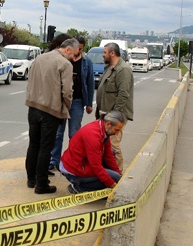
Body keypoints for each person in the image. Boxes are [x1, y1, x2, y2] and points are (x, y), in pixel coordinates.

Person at [25, 37, 80, 194]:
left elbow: (30, 82)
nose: (74, 58)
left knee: (33, 144)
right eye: (74, 54)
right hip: (51, 110)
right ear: (68, 49)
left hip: (33, 107)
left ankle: (31, 179)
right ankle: (41, 184)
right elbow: (67, 92)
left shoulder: (39, 58)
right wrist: (66, 108)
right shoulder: (65, 64)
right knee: (45, 147)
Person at [49, 34, 94, 173]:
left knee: (74, 133)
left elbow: (90, 82)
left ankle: (72, 160)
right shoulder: (63, 59)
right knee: (57, 133)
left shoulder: (87, 62)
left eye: (80, 49)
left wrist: (89, 103)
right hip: (61, 100)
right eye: (76, 49)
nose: (77, 52)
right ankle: (53, 160)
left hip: (77, 101)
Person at [60, 110, 124, 193]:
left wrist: (119, 177)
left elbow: (109, 156)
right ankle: (79, 187)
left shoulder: (103, 129)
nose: (117, 133)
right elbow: (96, 166)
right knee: (113, 178)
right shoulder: (93, 136)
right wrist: (113, 184)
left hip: (81, 164)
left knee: (116, 174)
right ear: (108, 124)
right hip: (75, 168)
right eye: (116, 130)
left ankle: (90, 184)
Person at [95, 42, 134, 173]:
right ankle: (108, 172)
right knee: (105, 144)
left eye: (104, 52)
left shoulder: (123, 70)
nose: (103, 55)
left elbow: (123, 94)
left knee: (113, 145)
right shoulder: (108, 68)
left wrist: (114, 116)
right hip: (105, 114)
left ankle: (117, 173)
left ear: (112, 53)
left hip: (115, 116)